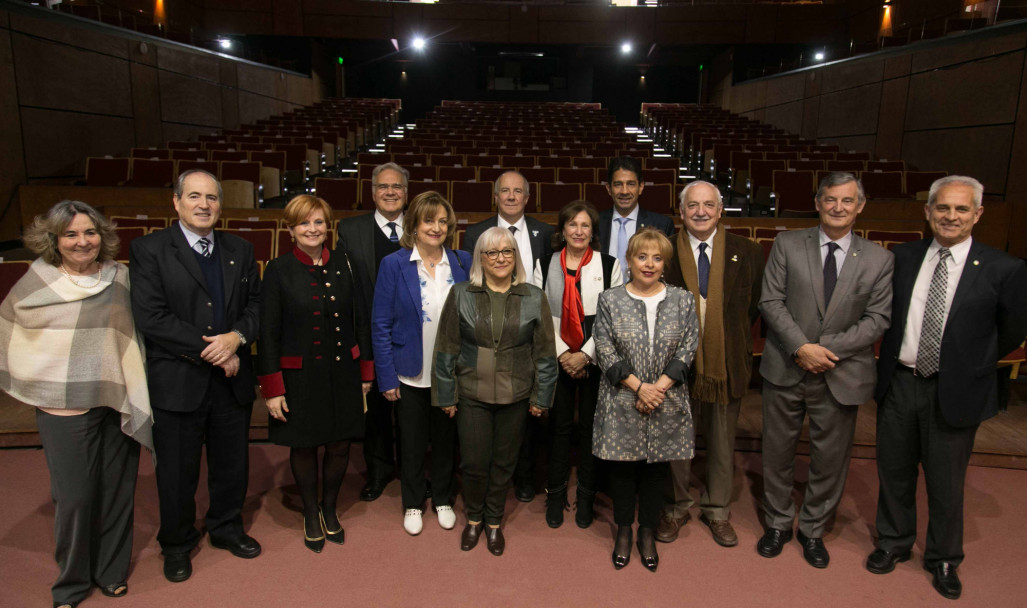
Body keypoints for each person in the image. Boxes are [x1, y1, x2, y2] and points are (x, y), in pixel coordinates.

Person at [868, 176, 1027, 599]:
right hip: (900, 383)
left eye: (961, 209)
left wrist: (966, 363)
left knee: (946, 481)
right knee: (895, 472)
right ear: (928, 211)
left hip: (955, 390)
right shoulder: (901, 258)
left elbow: (1009, 333)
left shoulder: (1003, 268)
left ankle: (942, 558)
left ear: (977, 214)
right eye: (943, 208)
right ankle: (894, 542)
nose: (950, 216)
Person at [0, 200, 152, 608]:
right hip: (63, 407)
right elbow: (9, 327)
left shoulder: (120, 277)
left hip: (116, 397)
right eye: (70, 234)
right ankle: (71, 582)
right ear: (54, 240)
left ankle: (111, 570)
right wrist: (39, 378)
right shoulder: (39, 279)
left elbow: (133, 334)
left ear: (101, 235)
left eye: (89, 232)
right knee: (75, 497)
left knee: (119, 491)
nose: (82, 241)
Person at [130, 169, 262, 583]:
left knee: (231, 465)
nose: (204, 205)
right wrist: (217, 351)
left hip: (231, 380)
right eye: (194, 197)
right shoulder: (149, 249)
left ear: (221, 205)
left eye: (211, 198)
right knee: (176, 472)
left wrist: (237, 338)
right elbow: (153, 318)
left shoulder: (240, 248)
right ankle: (177, 542)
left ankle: (226, 528)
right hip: (179, 379)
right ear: (176, 202)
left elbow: (257, 306)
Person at [757, 172, 893, 569]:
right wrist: (801, 348)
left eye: (847, 201)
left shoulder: (880, 258)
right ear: (817, 202)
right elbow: (771, 301)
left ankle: (813, 529)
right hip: (786, 366)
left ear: (860, 206)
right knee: (777, 452)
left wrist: (822, 351)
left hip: (840, 373)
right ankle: (778, 523)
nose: (838, 207)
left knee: (830, 458)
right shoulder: (787, 243)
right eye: (830, 199)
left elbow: (877, 319)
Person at [257, 195, 374, 553]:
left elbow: (360, 321)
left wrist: (366, 373)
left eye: (319, 222)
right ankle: (310, 511)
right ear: (291, 230)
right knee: (304, 445)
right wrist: (273, 388)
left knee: (340, 444)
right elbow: (268, 333)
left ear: (328, 227)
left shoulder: (347, 263)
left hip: (343, 373)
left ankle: (329, 508)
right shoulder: (278, 271)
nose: (313, 229)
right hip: (300, 379)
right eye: (304, 223)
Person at [434, 226, 558, 556]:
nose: (500, 258)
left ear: (515, 257)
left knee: (504, 463)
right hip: (471, 391)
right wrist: (446, 394)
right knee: (474, 462)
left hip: (516, 395)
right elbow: (446, 346)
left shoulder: (533, 295)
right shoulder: (461, 293)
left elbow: (544, 352)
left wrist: (541, 397)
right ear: (481, 258)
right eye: (491, 252)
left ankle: (493, 522)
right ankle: (473, 519)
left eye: (507, 252)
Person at [657, 180, 764, 547]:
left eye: (708, 205)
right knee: (676, 441)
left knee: (722, 441)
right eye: (692, 205)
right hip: (673, 365)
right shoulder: (665, 250)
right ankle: (675, 506)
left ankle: (717, 509)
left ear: (720, 210)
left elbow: (752, 309)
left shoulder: (746, 251)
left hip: (726, 360)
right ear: (681, 211)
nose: (700, 211)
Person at [593, 228, 698, 573]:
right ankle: (624, 531)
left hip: (666, 400)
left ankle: (647, 533)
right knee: (623, 471)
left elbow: (688, 348)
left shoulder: (682, 300)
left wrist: (658, 389)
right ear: (629, 260)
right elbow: (605, 349)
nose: (649, 264)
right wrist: (640, 388)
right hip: (623, 398)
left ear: (664, 263)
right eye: (642, 256)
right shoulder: (610, 299)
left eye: (656, 258)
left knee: (655, 471)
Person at [372, 191, 471, 536]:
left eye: (443, 221)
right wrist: (386, 377)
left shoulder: (462, 262)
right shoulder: (394, 264)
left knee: (446, 441)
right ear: (413, 223)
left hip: (450, 374)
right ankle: (413, 502)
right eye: (429, 220)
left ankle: (443, 497)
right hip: (409, 371)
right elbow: (380, 324)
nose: (437, 227)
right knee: (412, 443)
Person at [462, 170, 555, 502]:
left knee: (527, 414)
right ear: (496, 196)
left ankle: (525, 476)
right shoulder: (475, 233)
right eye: (505, 191)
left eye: (518, 192)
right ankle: (487, 484)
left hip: (533, 327)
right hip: (490, 333)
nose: (512, 197)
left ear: (527, 198)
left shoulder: (546, 233)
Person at [534, 201, 622, 528]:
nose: (579, 231)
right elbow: (539, 313)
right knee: (557, 430)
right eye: (572, 225)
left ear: (593, 232)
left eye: (585, 226)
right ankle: (555, 495)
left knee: (589, 429)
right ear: (562, 230)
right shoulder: (544, 264)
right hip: (556, 359)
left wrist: (584, 354)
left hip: (594, 360)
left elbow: (612, 317)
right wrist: (563, 354)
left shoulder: (609, 264)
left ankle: (586, 496)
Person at [338, 162, 407, 502]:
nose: (390, 192)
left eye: (396, 186)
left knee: (413, 411)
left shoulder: (422, 227)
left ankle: (412, 473)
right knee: (376, 411)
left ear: (406, 193)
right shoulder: (350, 230)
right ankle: (378, 472)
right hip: (368, 332)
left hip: (413, 335)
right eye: (383, 186)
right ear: (372, 192)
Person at [596, 156, 675, 282]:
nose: (625, 191)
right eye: (618, 184)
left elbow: (668, 272)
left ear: (641, 187)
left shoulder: (662, 225)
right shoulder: (595, 223)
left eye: (631, 184)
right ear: (609, 188)